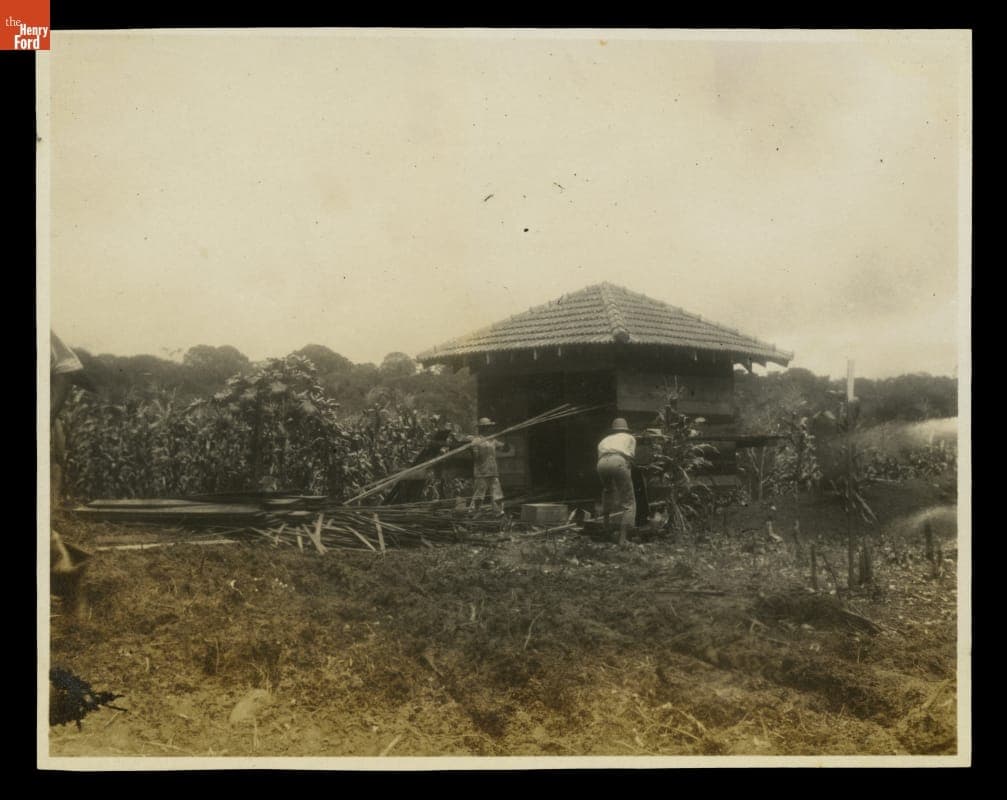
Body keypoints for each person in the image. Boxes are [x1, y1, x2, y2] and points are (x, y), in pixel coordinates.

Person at [597, 417, 637, 546]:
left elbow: (601, 455)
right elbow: (630, 459)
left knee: (608, 492)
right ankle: (623, 539)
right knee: (629, 502)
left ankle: (606, 529)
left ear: (613, 430)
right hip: (618, 461)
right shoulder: (630, 438)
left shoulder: (604, 440)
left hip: (601, 463)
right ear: (625, 429)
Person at [467, 418, 512, 516]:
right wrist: (473, 448)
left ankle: (498, 512)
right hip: (481, 471)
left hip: (493, 471)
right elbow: (475, 457)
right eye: (487, 427)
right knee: (479, 494)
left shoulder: (493, 440)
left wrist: (507, 437)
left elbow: (505, 449)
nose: (489, 429)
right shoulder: (476, 440)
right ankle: (474, 512)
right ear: (482, 429)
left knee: (497, 493)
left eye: (489, 427)